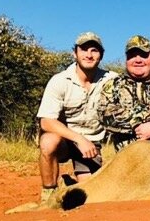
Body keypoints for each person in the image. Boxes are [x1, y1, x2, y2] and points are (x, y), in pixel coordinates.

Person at [36, 32, 117, 202]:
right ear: (75, 53)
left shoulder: (111, 80)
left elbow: (133, 85)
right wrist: (79, 139)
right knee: (48, 142)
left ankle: (69, 184)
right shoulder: (59, 80)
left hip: (91, 146)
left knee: (89, 195)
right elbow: (46, 121)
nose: (89, 54)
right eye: (84, 49)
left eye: (94, 50)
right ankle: (48, 193)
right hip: (65, 140)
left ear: (101, 55)